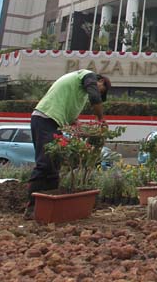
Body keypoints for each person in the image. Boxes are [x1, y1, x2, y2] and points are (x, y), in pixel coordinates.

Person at [25, 69, 111, 217]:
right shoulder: (87, 75)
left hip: (52, 122)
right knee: (45, 163)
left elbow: (71, 119)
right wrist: (101, 120)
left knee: (54, 164)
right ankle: (32, 207)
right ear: (101, 81)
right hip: (45, 118)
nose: (98, 94)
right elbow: (94, 97)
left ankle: (49, 207)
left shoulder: (78, 90)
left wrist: (82, 129)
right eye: (101, 90)